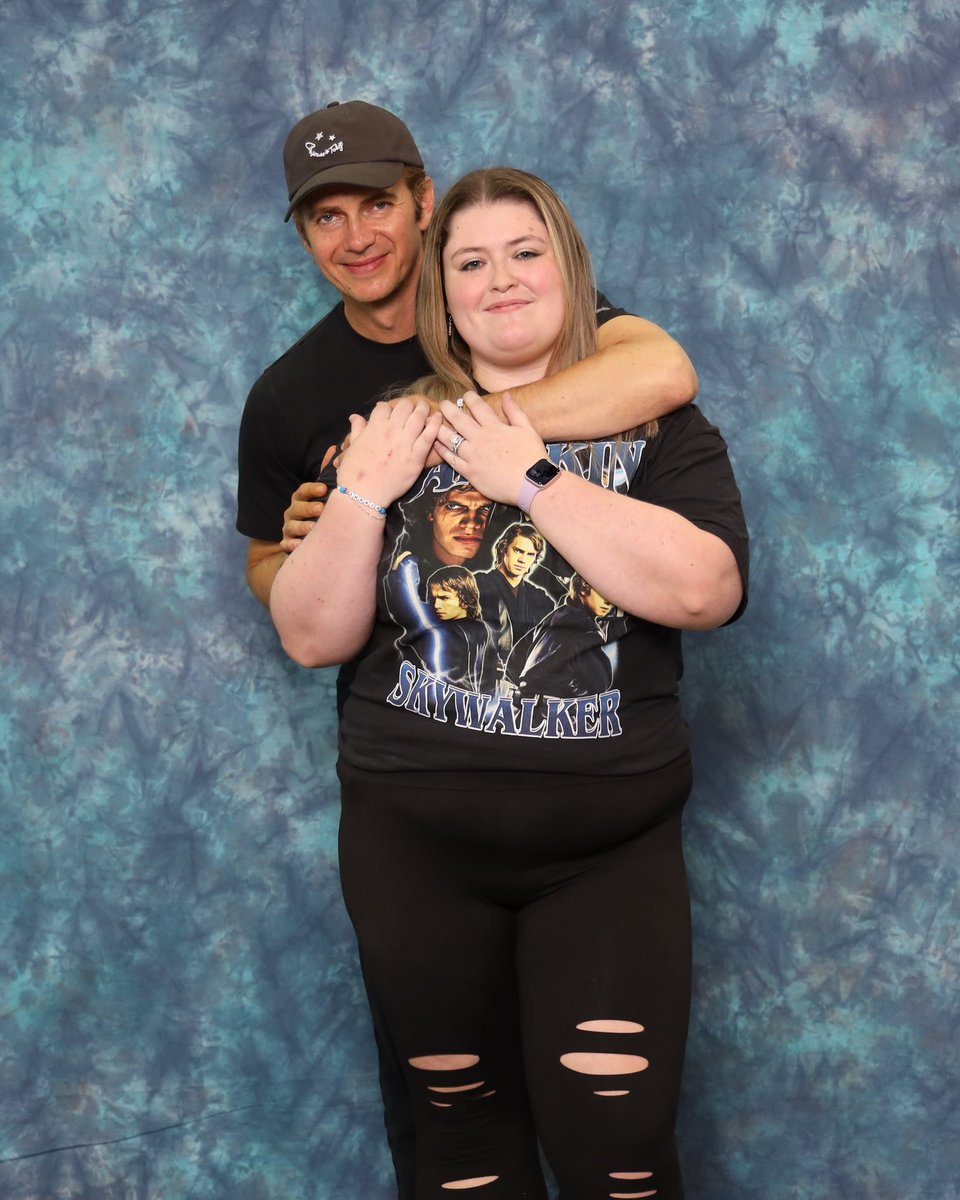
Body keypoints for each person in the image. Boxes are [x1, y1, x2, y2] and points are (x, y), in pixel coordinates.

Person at [236, 101, 701, 1196]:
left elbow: (664, 370)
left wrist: (474, 436)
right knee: (444, 1122)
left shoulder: (537, 325)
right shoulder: (292, 395)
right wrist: (326, 529)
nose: (356, 238)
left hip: (589, 789)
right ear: (303, 235)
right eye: (326, 219)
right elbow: (270, 569)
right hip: (416, 798)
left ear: (424, 204)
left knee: (611, 1136)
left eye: (378, 207)